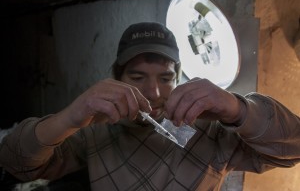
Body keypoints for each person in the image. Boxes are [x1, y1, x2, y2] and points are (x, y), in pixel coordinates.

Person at [1, 22, 300, 191]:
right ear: (116, 78)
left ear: (179, 77)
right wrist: (70, 116)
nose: (154, 91)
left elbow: (293, 149)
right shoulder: (95, 131)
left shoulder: (209, 129)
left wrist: (237, 108)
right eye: (137, 76)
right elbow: (17, 164)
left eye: (166, 77)